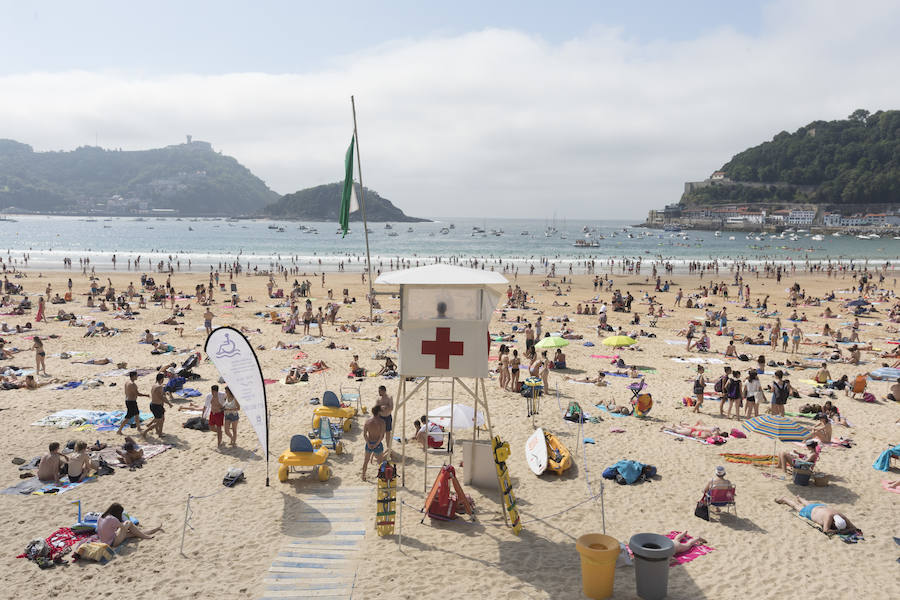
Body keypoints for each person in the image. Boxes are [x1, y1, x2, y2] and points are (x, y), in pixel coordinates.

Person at [774, 495, 856, 534]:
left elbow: (853, 527)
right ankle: (784, 498)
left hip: (819, 507)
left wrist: (848, 529)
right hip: (810, 512)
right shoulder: (829, 518)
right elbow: (826, 530)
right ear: (834, 522)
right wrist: (839, 531)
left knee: (809, 504)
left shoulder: (841, 515)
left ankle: (800, 498)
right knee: (796, 506)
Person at [95, 503, 163, 548]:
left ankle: (151, 531)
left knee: (134, 533)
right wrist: (130, 527)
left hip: (105, 540)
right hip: (112, 542)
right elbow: (124, 528)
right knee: (129, 523)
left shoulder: (101, 516)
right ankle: (146, 536)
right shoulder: (112, 519)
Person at [142, 373, 173, 438]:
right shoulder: (159, 387)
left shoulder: (154, 385)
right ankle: (145, 431)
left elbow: (158, 395)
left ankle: (158, 432)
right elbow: (161, 397)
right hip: (156, 406)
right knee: (159, 422)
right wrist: (169, 403)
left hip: (154, 404)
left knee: (161, 419)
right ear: (162, 379)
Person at [361, 405, 386, 480]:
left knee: (366, 461)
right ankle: (381, 477)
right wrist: (376, 444)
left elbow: (365, 434)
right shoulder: (382, 422)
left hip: (369, 443)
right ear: (379, 412)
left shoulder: (367, 421)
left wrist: (368, 443)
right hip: (377, 444)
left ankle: (363, 476)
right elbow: (382, 436)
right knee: (380, 463)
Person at [375, 385, 394, 452]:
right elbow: (375, 409)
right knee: (380, 433)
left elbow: (391, 408)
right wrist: (380, 408)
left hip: (388, 417)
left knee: (388, 433)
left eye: (379, 391)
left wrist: (385, 407)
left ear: (383, 391)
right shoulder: (378, 399)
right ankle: (377, 446)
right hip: (380, 418)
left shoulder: (389, 398)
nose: (378, 393)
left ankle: (388, 447)